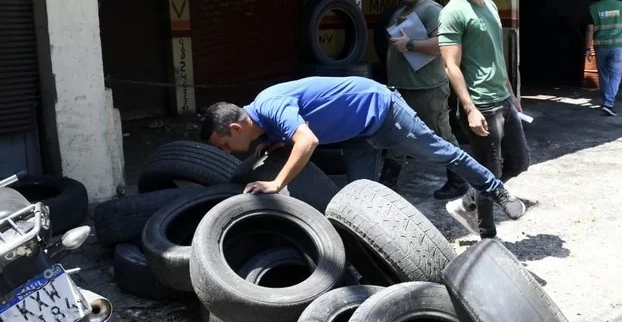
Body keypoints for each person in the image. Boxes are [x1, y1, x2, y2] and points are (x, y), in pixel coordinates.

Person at [199, 77, 525, 222]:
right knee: (359, 195)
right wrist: (278, 140)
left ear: (236, 128)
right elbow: (298, 127)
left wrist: (276, 183)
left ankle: (497, 191)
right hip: (356, 136)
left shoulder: (269, 106)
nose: (228, 152)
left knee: (442, 153)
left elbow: (308, 141)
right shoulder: (264, 122)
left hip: (381, 111)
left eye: (224, 145)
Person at [438, 0, 530, 239]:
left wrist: (511, 93)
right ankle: (487, 239)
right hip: (480, 103)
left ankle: (467, 202)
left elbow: (495, 55)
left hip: (502, 99)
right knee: (489, 172)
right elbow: (450, 65)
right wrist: (469, 108)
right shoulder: (453, 12)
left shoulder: (489, 5)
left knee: (519, 162)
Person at [378, 0, 468, 200]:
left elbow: (442, 45)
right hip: (403, 88)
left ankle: (460, 181)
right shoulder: (401, 13)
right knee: (396, 136)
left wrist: (410, 44)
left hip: (427, 89)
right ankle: (388, 183)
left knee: (441, 136)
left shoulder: (432, 10)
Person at [586, 0, 622, 116]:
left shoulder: (593, 8)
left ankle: (606, 101)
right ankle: (608, 103)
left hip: (601, 47)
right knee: (615, 75)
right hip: (617, 47)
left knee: (603, 75)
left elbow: (589, 30)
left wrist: (587, 49)